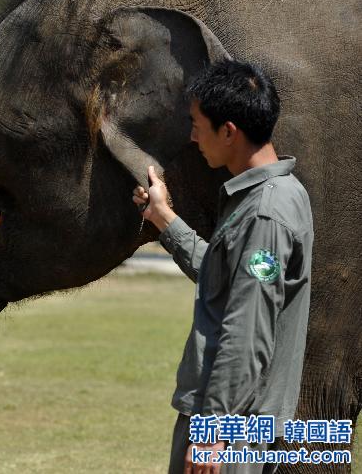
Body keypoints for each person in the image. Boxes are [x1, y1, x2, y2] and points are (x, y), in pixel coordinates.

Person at [133, 60, 312, 474]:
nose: (193, 136)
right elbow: (227, 280)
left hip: (233, 428)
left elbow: (248, 329)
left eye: (197, 124)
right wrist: (163, 219)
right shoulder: (279, 193)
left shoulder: (265, 214)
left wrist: (213, 428)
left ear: (228, 131)